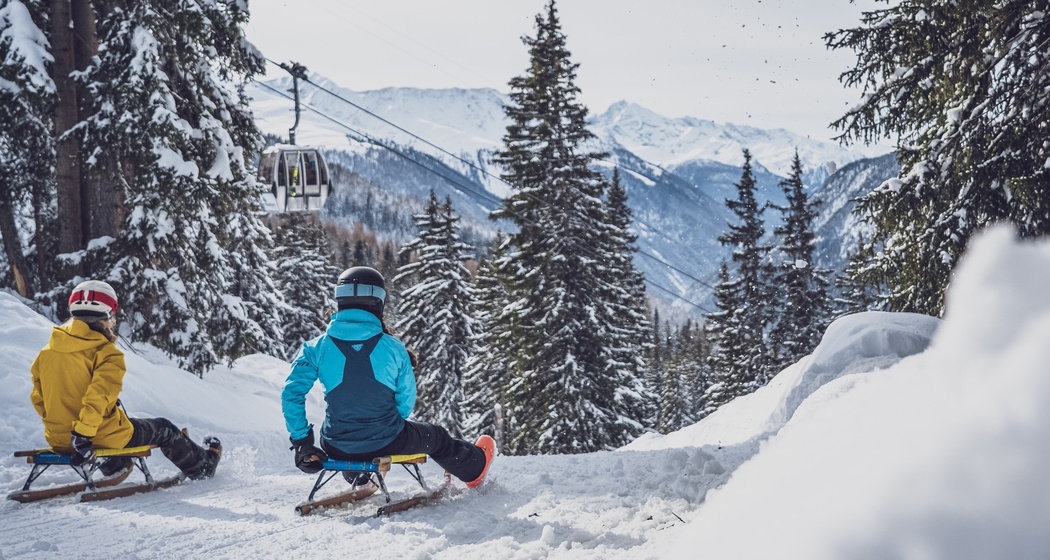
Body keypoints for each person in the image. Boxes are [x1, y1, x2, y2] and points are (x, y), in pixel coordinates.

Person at [282, 266, 495, 488]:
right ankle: (475, 467)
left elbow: (291, 393)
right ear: (378, 301)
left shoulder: (316, 347)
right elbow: (405, 406)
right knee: (438, 437)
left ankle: (358, 475)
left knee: (350, 439)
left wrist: (302, 442)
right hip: (387, 441)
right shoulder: (393, 348)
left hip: (336, 445)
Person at [30, 280, 222, 480]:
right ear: (109, 313)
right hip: (94, 437)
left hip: (59, 438)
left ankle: (115, 466)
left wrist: (61, 427)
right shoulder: (106, 353)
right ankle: (202, 467)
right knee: (163, 427)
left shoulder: (47, 352)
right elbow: (99, 396)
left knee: (118, 425)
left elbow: (38, 398)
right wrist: (83, 434)